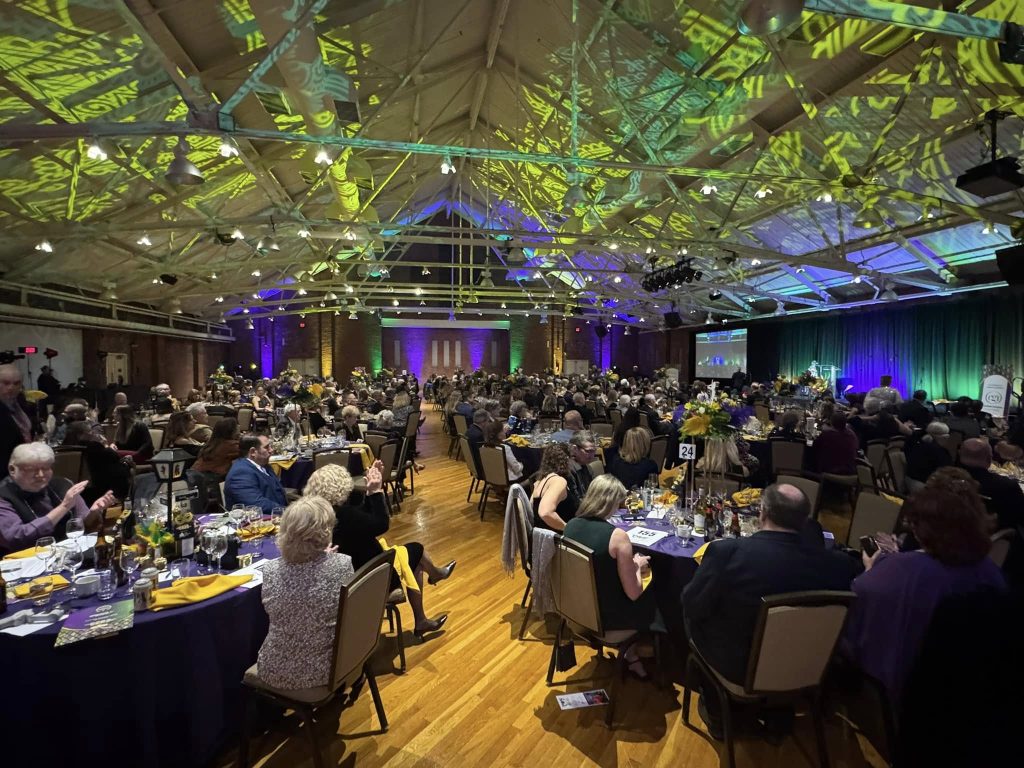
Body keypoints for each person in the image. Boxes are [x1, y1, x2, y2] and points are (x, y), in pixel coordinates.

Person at [682, 483, 857, 736]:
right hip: (808, 666)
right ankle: (778, 710)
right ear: (805, 520)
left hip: (739, 670)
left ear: (762, 512)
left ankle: (718, 712)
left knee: (693, 614)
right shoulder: (840, 565)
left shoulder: (727, 553)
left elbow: (692, 605)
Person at [843, 486, 1005, 704]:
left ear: (920, 530)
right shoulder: (991, 572)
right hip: (971, 690)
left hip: (899, 691)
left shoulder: (902, 571)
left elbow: (859, 596)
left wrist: (872, 569)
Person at [305, 461, 455, 639]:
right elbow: (380, 524)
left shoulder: (320, 516)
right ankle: (432, 585)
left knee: (413, 558)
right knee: (417, 550)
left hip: (351, 576)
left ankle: (425, 609)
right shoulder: (344, 516)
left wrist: (370, 492)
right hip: (372, 579)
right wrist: (376, 492)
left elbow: (363, 519)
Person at [255, 495, 356, 690]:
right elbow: (350, 616)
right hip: (324, 671)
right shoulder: (342, 564)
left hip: (273, 670)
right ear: (325, 532)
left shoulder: (269, 570)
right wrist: (328, 560)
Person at [563, 475, 659, 677]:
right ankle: (651, 654)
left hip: (576, 612)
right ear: (611, 503)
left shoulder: (570, 525)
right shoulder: (618, 538)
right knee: (655, 591)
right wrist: (637, 565)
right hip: (608, 621)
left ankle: (631, 656)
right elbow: (633, 593)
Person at [0, 442, 116, 554]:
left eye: (46, 468)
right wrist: (63, 507)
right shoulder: (3, 496)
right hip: (25, 561)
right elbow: (16, 538)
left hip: (69, 554)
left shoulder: (62, 484)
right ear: (12, 469)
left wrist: (93, 512)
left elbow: (83, 526)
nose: (40, 475)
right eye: (31, 469)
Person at [958, 438, 1023, 530]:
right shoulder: (1006, 486)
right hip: (994, 535)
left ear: (959, 454)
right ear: (989, 458)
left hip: (953, 531)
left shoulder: (945, 478)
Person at [61, 422, 131, 505]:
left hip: (68, 490)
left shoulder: (62, 449)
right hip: (94, 490)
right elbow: (113, 456)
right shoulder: (93, 447)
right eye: (90, 431)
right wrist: (106, 445)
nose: (92, 433)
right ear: (81, 435)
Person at [224, 435, 287, 514]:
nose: (271, 450)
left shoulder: (263, 464)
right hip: (260, 518)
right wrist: (288, 511)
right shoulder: (240, 473)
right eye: (266, 447)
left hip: (278, 514)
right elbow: (257, 505)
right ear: (253, 452)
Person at [0, 364, 42, 478]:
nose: (11, 388)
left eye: (16, 383)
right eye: (6, 383)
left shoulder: (22, 404)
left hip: (24, 469)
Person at [530, 443, 578, 531]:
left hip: (542, 534)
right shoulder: (558, 481)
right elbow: (545, 513)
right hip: (559, 536)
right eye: (572, 458)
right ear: (566, 459)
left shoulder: (539, 481)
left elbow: (531, 509)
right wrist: (567, 529)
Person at [567, 430, 598, 496]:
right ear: (575, 449)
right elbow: (575, 499)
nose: (592, 456)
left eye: (594, 451)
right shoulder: (568, 470)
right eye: (588, 451)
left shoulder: (588, 468)